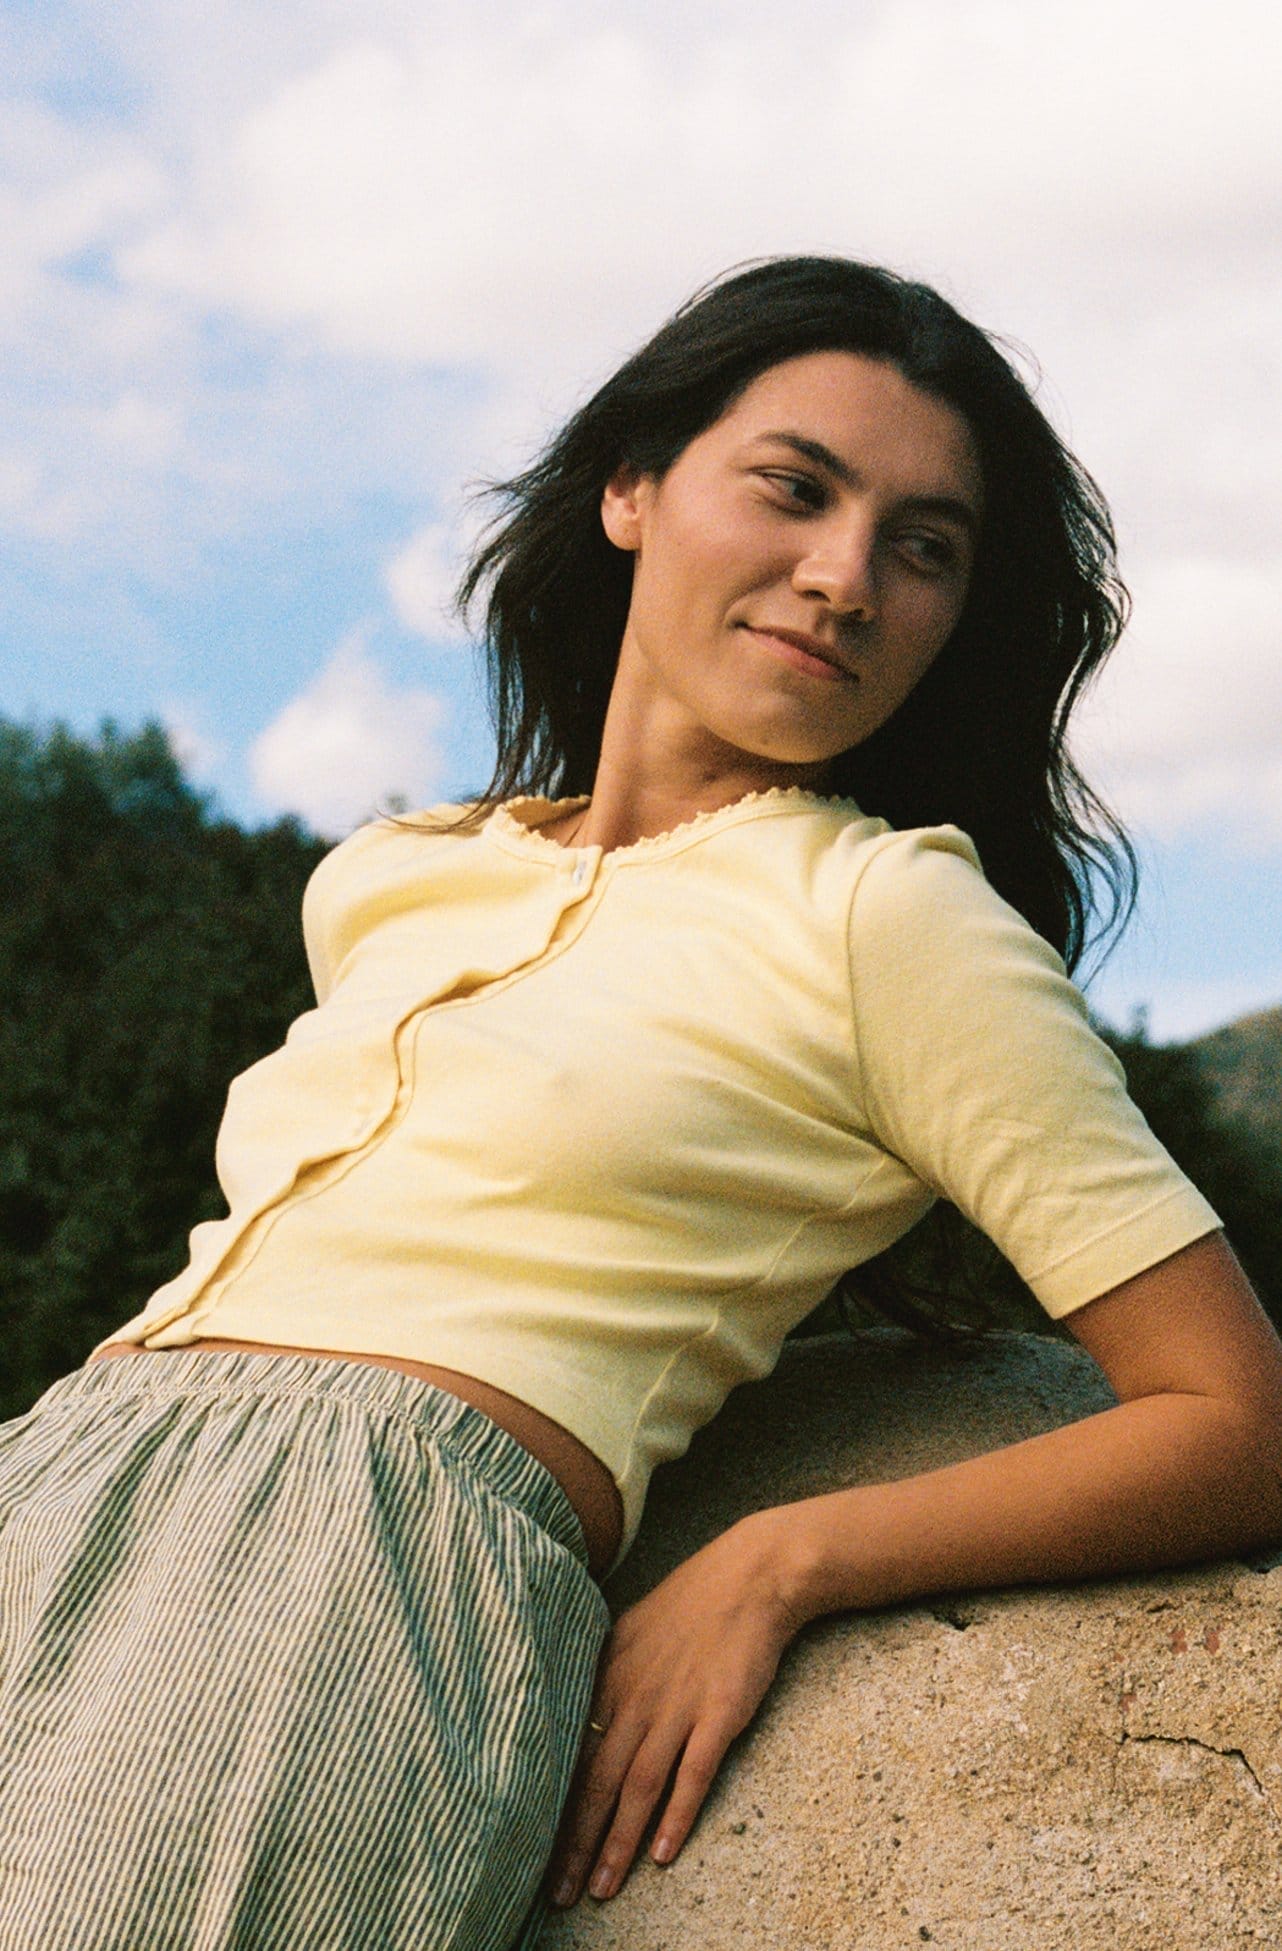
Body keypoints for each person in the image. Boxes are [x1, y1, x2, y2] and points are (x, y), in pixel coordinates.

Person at [2, 257, 1280, 1951]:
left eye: (922, 547)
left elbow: (1233, 1418)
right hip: (61, 1476)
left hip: (361, 1580)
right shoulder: (391, 875)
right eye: (793, 488)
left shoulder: (887, 920)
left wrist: (782, 1562)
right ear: (629, 486)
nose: (841, 577)